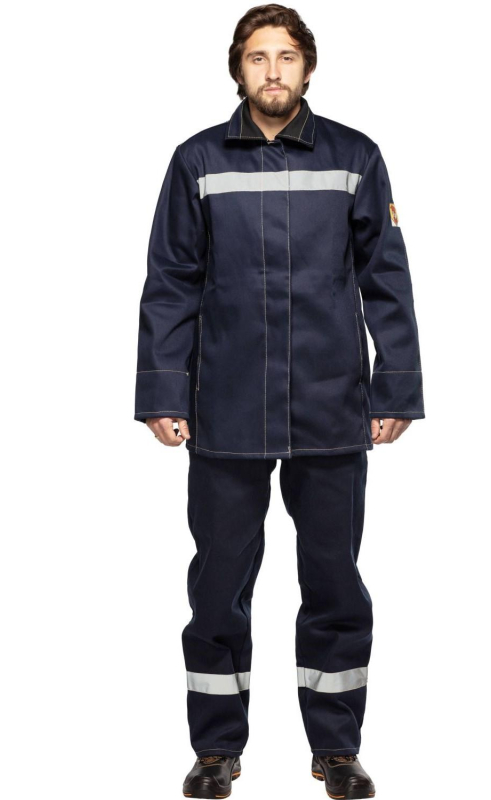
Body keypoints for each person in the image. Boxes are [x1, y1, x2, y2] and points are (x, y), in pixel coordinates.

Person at [134, 5, 424, 798]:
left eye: (286, 56)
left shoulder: (356, 156)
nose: (272, 71)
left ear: (308, 67)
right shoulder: (196, 160)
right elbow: (170, 282)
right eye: (258, 57)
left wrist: (396, 385)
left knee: (333, 584)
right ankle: (215, 751)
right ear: (238, 68)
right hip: (223, 407)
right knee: (218, 586)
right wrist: (163, 390)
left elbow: (386, 278)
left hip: (332, 406)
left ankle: (337, 749)